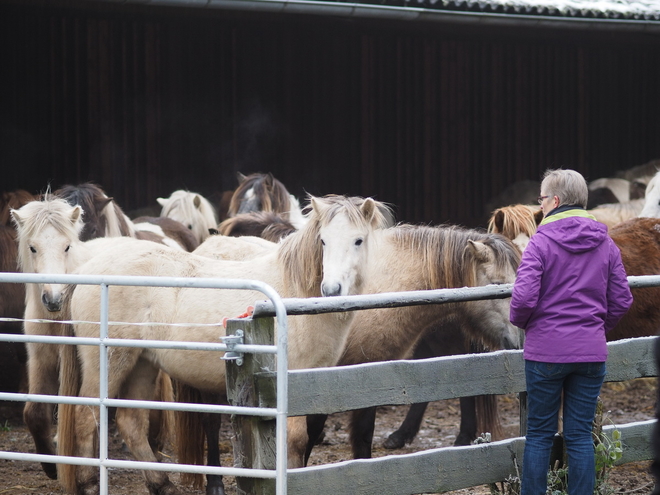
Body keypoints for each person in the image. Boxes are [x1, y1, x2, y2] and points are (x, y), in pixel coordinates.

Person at [509, 168, 633, 495]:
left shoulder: (540, 243)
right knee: (579, 437)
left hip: (546, 353)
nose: (540, 206)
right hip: (591, 353)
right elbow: (621, 298)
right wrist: (595, 329)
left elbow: (521, 300)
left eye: (541, 199)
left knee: (539, 435)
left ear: (556, 200)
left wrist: (530, 326)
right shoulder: (605, 243)